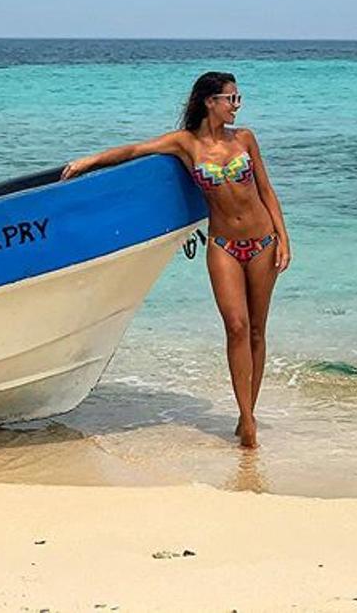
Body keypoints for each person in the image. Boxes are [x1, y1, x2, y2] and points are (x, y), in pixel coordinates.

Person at [60, 71, 290, 448]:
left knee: (256, 331)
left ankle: (249, 410)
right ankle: (247, 421)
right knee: (235, 326)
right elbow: (136, 150)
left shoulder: (245, 138)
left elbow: (266, 190)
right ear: (209, 102)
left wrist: (283, 239)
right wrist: (91, 160)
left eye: (238, 98)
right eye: (231, 99)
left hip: (262, 242)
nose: (237, 106)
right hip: (224, 246)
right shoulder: (185, 144)